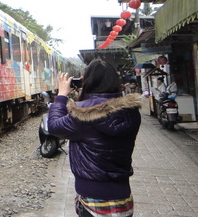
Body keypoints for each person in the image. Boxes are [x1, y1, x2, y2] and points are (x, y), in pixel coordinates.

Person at [48, 59, 141, 217]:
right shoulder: (131, 112)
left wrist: (62, 96)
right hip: (124, 197)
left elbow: (54, 127)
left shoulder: (84, 113)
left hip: (92, 198)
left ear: (87, 81)